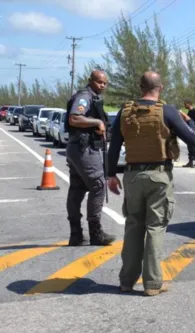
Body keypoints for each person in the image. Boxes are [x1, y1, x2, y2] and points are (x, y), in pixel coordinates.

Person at [106, 71, 195, 296]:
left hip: (132, 176)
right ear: (161, 87)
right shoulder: (167, 111)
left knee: (133, 227)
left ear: (140, 87)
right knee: (155, 227)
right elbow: (193, 139)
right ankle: (152, 284)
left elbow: (114, 146)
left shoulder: (125, 112)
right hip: (158, 176)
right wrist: (189, 120)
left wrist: (110, 174)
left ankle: (126, 281)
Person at [64, 69, 116, 246]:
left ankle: (76, 234)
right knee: (98, 185)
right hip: (83, 148)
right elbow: (74, 118)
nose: (103, 85)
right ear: (91, 81)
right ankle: (96, 233)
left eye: (105, 83)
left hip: (80, 148)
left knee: (77, 188)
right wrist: (97, 122)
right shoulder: (85, 97)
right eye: (100, 82)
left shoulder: (92, 97)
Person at [182, 99, 195, 168]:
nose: (184, 105)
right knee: (189, 146)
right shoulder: (189, 112)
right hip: (189, 131)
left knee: (194, 147)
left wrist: (191, 122)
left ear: (188, 104)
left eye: (185, 104)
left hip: (194, 130)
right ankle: (190, 162)